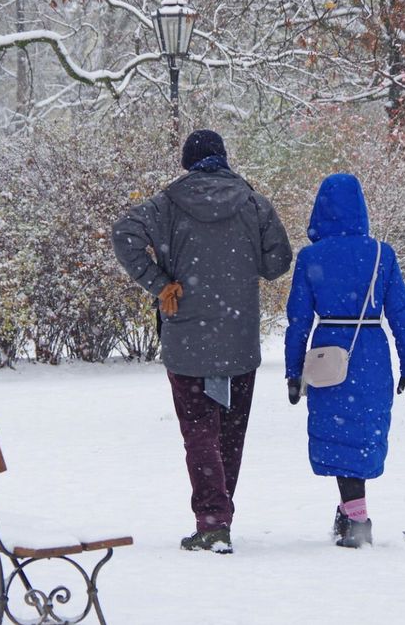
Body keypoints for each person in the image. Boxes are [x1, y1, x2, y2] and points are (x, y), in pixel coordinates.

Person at [112, 129, 293, 554]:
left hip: (186, 339)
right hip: (238, 339)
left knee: (198, 432)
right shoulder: (253, 203)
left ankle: (213, 520)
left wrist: (160, 283)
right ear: (224, 158)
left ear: (186, 162)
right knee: (230, 433)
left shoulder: (166, 205)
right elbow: (278, 262)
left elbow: (124, 235)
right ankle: (219, 516)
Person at [284, 172, 405, 549]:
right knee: (361, 433)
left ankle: (356, 518)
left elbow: (298, 319)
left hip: (329, 352)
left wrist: (293, 371)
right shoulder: (382, 253)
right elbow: (401, 315)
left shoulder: (311, 257)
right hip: (371, 354)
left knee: (338, 434)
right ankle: (350, 512)